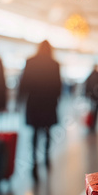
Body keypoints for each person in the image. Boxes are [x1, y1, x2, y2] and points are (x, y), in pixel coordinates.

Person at [17, 40, 61, 170]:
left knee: (35, 132)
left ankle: (34, 160)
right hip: (48, 102)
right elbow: (58, 85)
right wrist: (56, 100)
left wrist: (19, 100)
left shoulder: (31, 61)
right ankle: (46, 157)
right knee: (47, 131)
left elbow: (24, 82)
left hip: (34, 102)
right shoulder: (54, 64)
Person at [84, 64, 98, 131]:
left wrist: (87, 94)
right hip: (97, 96)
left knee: (91, 110)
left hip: (91, 96)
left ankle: (91, 123)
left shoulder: (90, 75)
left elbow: (86, 86)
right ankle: (94, 123)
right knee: (96, 110)